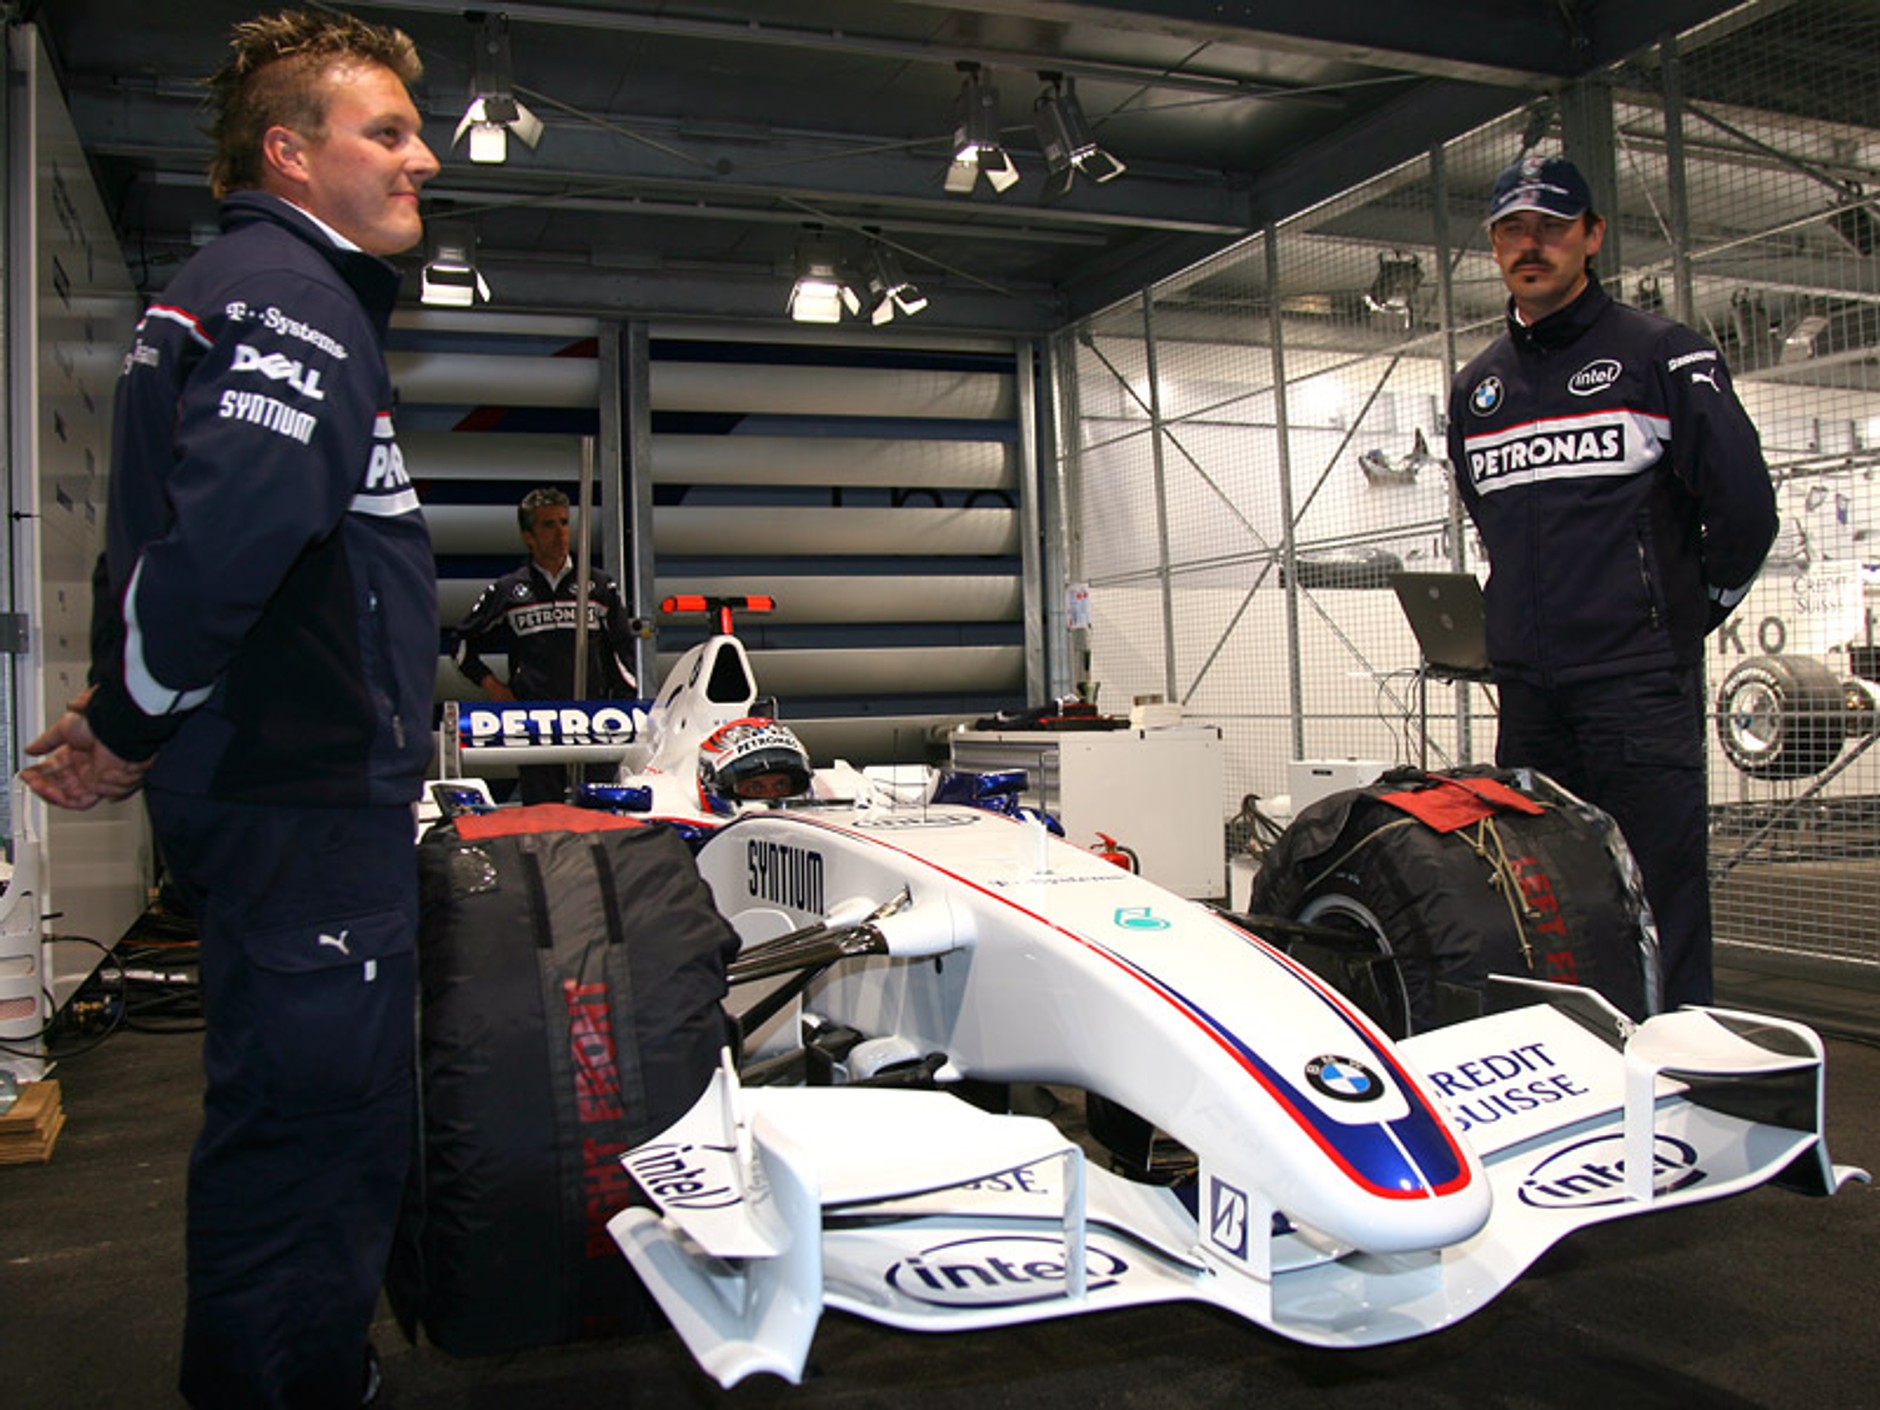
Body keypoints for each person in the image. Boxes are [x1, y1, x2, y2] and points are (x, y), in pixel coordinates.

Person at [22, 11, 440, 1406]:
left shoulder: (232, 291)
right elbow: (222, 545)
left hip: (267, 786)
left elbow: (151, 544)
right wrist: (129, 723)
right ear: (290, 151)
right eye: (386, 131)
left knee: (280, 1115)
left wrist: (122, 705)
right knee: (318, 1129)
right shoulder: (296, 300)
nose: (423, 159)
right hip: (302, 795)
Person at [1445, 153, 1778, 1010]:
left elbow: (1745, 512)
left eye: (1552, 227)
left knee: (1659, 897)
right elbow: (1493, 525)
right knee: (1544, 901)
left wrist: (1682, 616)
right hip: (1530, 697)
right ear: (1494, 246)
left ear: (1591, 236)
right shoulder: (1477, 390)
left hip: (1636, 688)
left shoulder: (1663, 355)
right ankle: (1574, 1061)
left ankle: (1676, 1068)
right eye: (1513, 230)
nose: (1532, 244)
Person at [451, 487, 640, 803]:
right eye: (548, 525)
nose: (560, 533)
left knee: (598, 816)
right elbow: (460, 642)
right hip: (535, 724)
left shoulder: (598, 585)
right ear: (529, 536)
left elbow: (624, 649)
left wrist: (622, 705)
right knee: (544, 816)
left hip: (593, 721)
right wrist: (493, 687)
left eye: (564, 522)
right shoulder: (510, 590)